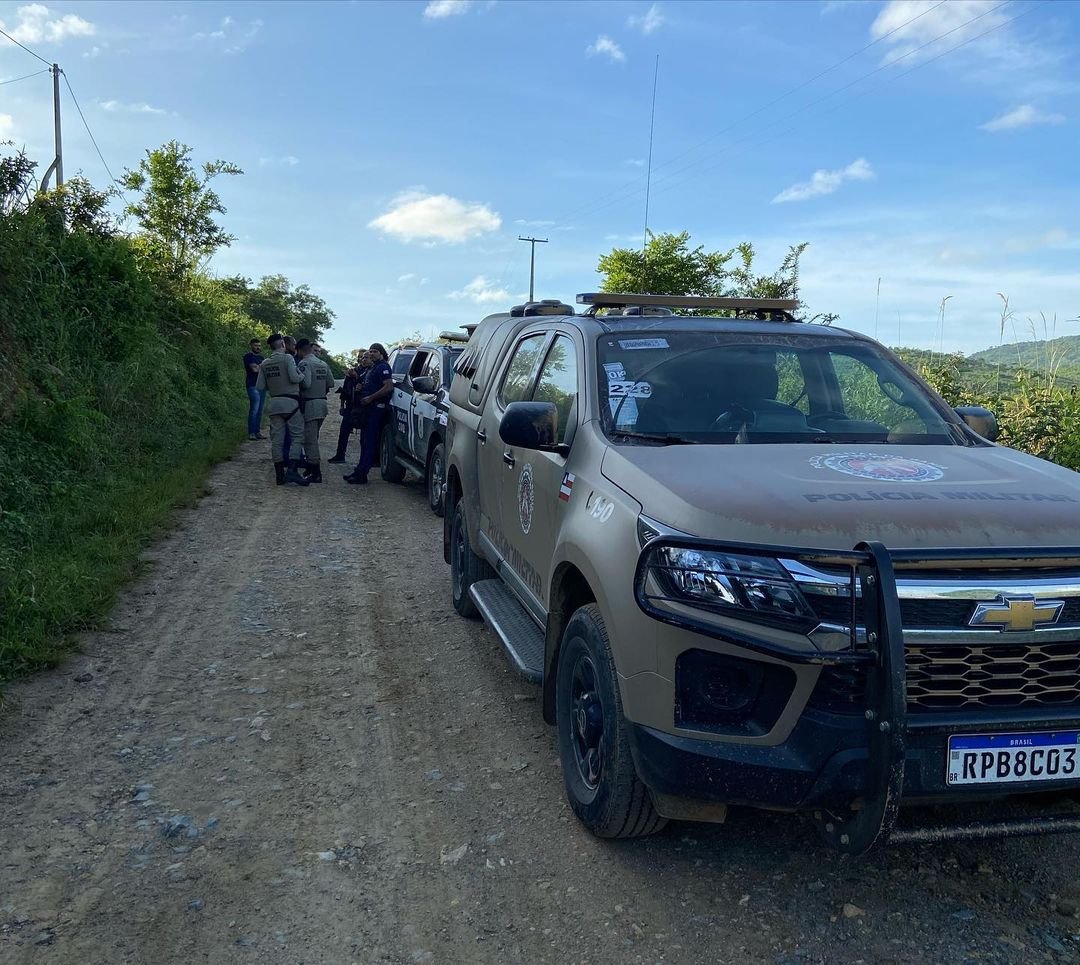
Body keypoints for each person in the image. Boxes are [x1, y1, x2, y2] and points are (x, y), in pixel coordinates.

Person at [255, 333, 310, 486]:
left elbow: (260, 386)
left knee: (277, 441)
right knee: (297, 437)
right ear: (283, 345)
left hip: (275, 404)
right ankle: (292, 471)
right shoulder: (287, 358)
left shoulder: (265, 363)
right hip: (291, 403)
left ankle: (279, 475)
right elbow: (294, 378)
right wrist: (301, 375)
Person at [344, 343, 393, 485]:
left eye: (375, 351)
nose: (371, 354)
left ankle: (362, 473)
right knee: (364, 441)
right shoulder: (373, 367)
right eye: (370, 351)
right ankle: (360, 470)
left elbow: (388, 386)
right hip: (367, 408)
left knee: (369, 441)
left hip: (376, 408)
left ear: (381, 353)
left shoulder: (383, 367)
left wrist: (371, 397)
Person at [296, 338, 335, 483]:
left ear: (299, 350)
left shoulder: (304, 363)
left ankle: (315, 471)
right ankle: (311, 467)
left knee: (309, 439)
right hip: (322, 403)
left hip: (310, 403)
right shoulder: (323, 363)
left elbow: (305, 383)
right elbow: (330, 383)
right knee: (313, 436)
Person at [328, 351, 372, 464]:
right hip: (350, 406)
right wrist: (342, 406)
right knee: (344, 431)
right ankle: (340, 455)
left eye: (366, 357)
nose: (363, 359)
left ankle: (365, 459)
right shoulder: (353, 371)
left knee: (365, 437)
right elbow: (345, 390)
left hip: (363, 408)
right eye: (361, 357)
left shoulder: (371, 372)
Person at [243, 338, 266, 440]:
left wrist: (259, 367)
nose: (258, 347)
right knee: (254, 409)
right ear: (251, 345)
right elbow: (254, 369)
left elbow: (261, 369)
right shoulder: (248, 356)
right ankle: (251, 432)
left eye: (259, 345)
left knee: (260, 410)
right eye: (256, 345)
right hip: (252, 385)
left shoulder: (262, 357)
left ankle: (257, 432)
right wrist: (261, 366)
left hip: (262, 386)